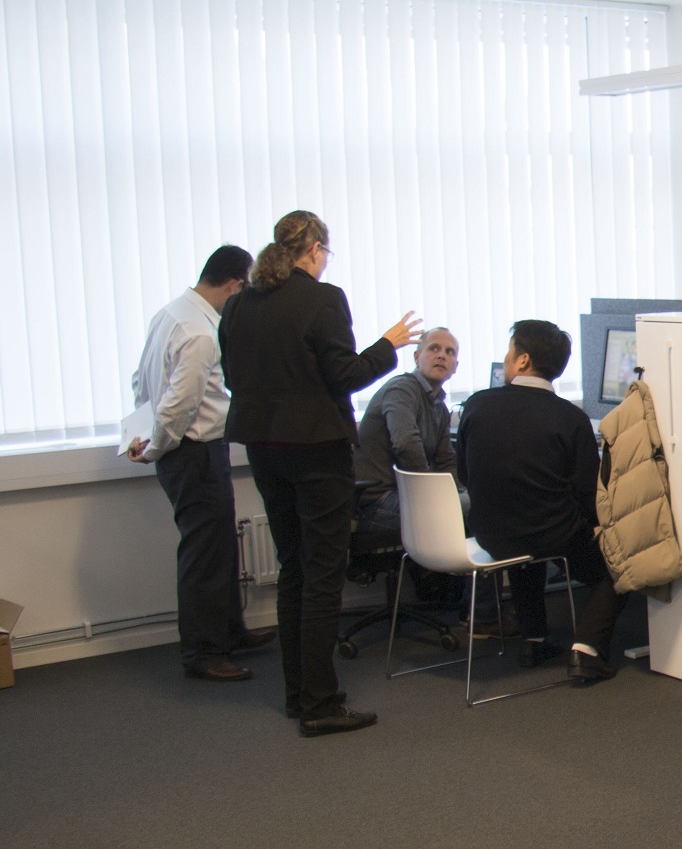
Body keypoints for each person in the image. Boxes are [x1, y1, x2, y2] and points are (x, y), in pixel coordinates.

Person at [219, 210, 421, 737]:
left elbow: (234, 376)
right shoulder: (323, 299)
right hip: (316, 451)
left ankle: (299, 694)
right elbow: (346, 375)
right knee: (324, 574)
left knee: (294, 570)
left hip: (264, 449)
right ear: (313, 250)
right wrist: (388, 345)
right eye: (325, 253)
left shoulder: (239, 304)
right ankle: (320, 704)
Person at [128, 244, 276, 682]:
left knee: (219, 545)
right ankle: (204, 653)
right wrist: (155, 446)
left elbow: (141, 382)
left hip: (190, 451)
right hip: (192, 452)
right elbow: (179, 404)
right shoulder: (200, 333)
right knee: (205, 554)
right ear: (234, 285)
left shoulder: (170, 314)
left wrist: (144, 433)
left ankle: (230, 631)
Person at [456, 320, 632, 681]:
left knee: (525, 537)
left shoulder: (476, 405)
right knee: (620, 565)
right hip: (549, 533)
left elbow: (464, 474)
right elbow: (589, 494)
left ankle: (534, 639)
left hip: (491, 534)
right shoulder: (571, 418)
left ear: (522, 360)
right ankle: (587, 650)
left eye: (509, 352)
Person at [351, 327, 495, 632]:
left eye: (450, 352)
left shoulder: (438, 405)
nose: (442, 355)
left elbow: (445, 460)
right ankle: (481, 616)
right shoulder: (402, 390)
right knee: (484, 511)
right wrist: (443, 496)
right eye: (434, 349)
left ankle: (468, 606)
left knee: (477, 501)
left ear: (455, 367)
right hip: (374, 504)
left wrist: (464, 488)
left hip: (403, 497)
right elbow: (405, 444)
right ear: (417, 357)